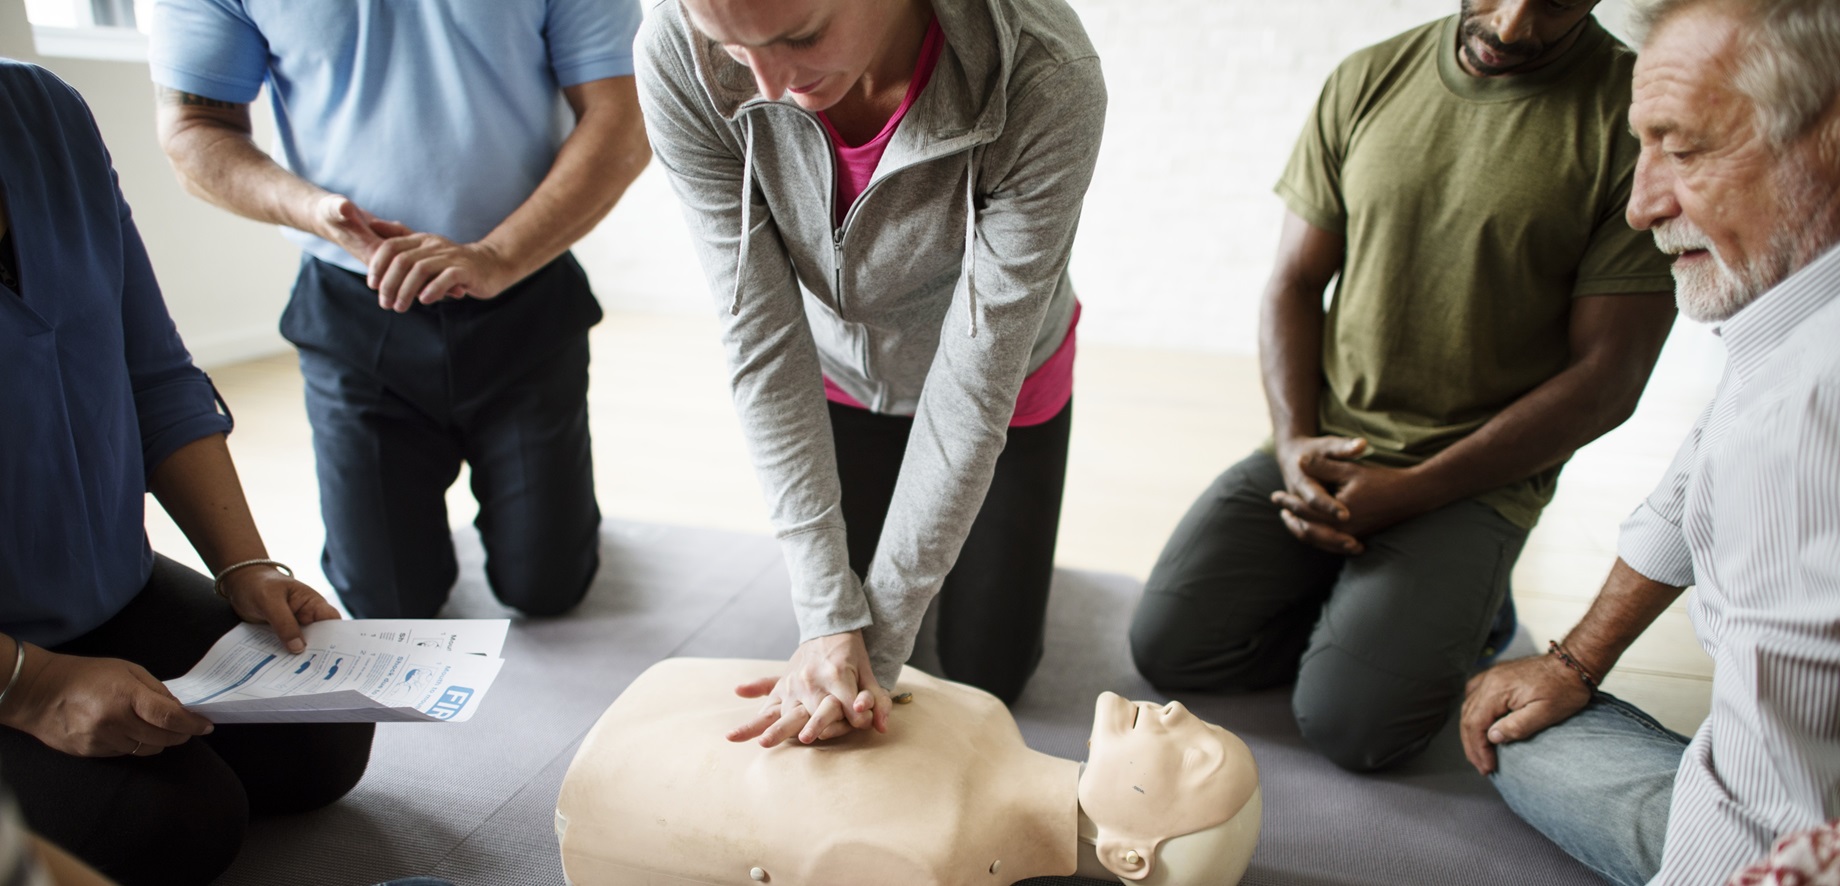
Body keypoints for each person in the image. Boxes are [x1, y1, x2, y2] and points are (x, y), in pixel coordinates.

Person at [1127, 0, 1679, 772]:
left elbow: (1607, 380)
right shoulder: (1366, 79)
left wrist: (1411, 490)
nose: (1513, 26)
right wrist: (1292, 444)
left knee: (1357, 730)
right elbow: (1292, 282)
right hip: (1327, 440)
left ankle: (1465, 615)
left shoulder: (1634, 123)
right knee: (1173, 648)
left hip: (1471, 480)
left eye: (1554, 3)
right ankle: (1371, 611)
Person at [634, 0, 1105, 743]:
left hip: (1001, 380)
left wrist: (872, 662)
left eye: (800, 36)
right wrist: (828, 621)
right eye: (732, 47)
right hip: (838, 374)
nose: (770, 83)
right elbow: (759, 332)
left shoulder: (1046, 74)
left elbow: (975, 381)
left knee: (986, 670)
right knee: (830, 609)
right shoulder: (677, 51)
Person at [1460, 1, 1840, 883]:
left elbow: (1764, 827)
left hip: (1779, 843)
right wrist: (1576, 659)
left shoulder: (1803, 420)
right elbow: (1701, 461)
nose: (1640, 206)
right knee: (1528, 734)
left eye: (1685, 147)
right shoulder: (1790, 329)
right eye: (1645, 144)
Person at [149, 0, 651, 620]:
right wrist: (314, 211)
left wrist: (495, 256)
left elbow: (622, 115)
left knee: (548, 590)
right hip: (350, 307)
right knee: (384, 606)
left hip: (525, 294)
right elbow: (193, 131)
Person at [0, 60, 373, 886]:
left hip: (104, 589)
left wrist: (245, 565)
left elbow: (155, 373)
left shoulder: (45, 112)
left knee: (325, 736)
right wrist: (28, 687)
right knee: (170, 826)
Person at [556, 657, 1261, 885]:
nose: (1174, 712)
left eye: (1196, 758)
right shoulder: (987, 715)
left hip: (615, 790)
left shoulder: (928, 860)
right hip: (670, 724)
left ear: (1129, 856)